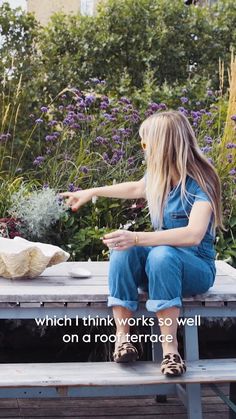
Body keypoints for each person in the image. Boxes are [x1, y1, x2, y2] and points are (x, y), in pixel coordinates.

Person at [60, 110, 223, 377]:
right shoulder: (158, 174)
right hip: (161, 268)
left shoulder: (202, 182)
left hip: (194, 270)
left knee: (160, 255)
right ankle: (123, 338)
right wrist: (92, 192)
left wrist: (137, 237)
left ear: (163, 144)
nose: (143, 149)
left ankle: (170, 350)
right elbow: (137, 187)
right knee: (124, 250)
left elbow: (193, 234)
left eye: (145, 143)